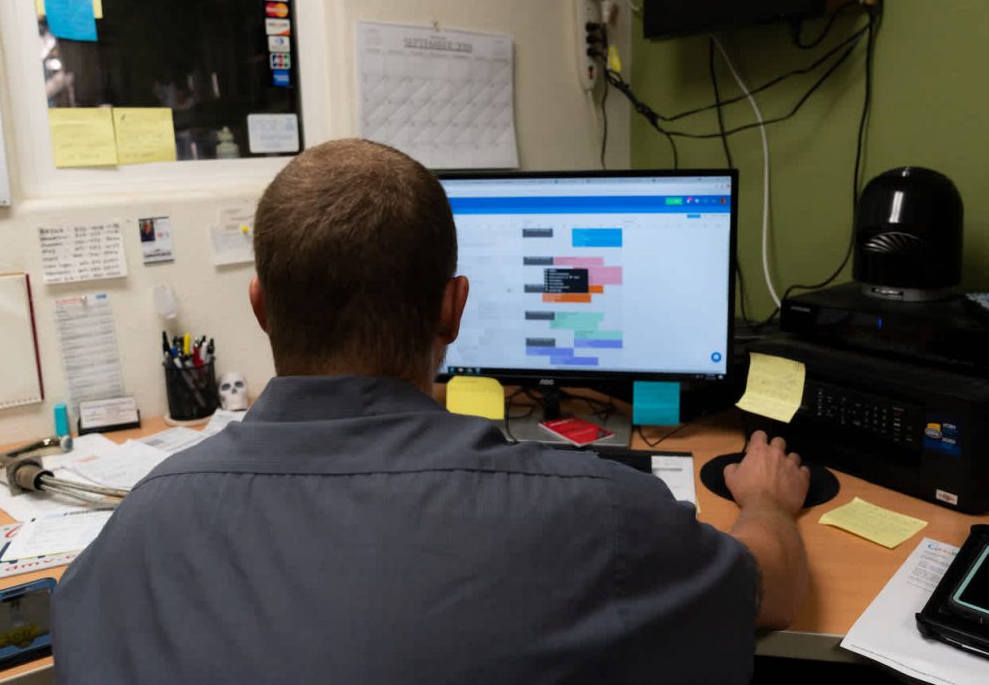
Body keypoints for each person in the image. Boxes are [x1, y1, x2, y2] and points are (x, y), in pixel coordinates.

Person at [52, 139, 810, 684]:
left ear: (260, 309)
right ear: (454, 308)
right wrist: (769, 504)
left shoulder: (140, 525)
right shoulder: (596, 512)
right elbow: (768, 589)